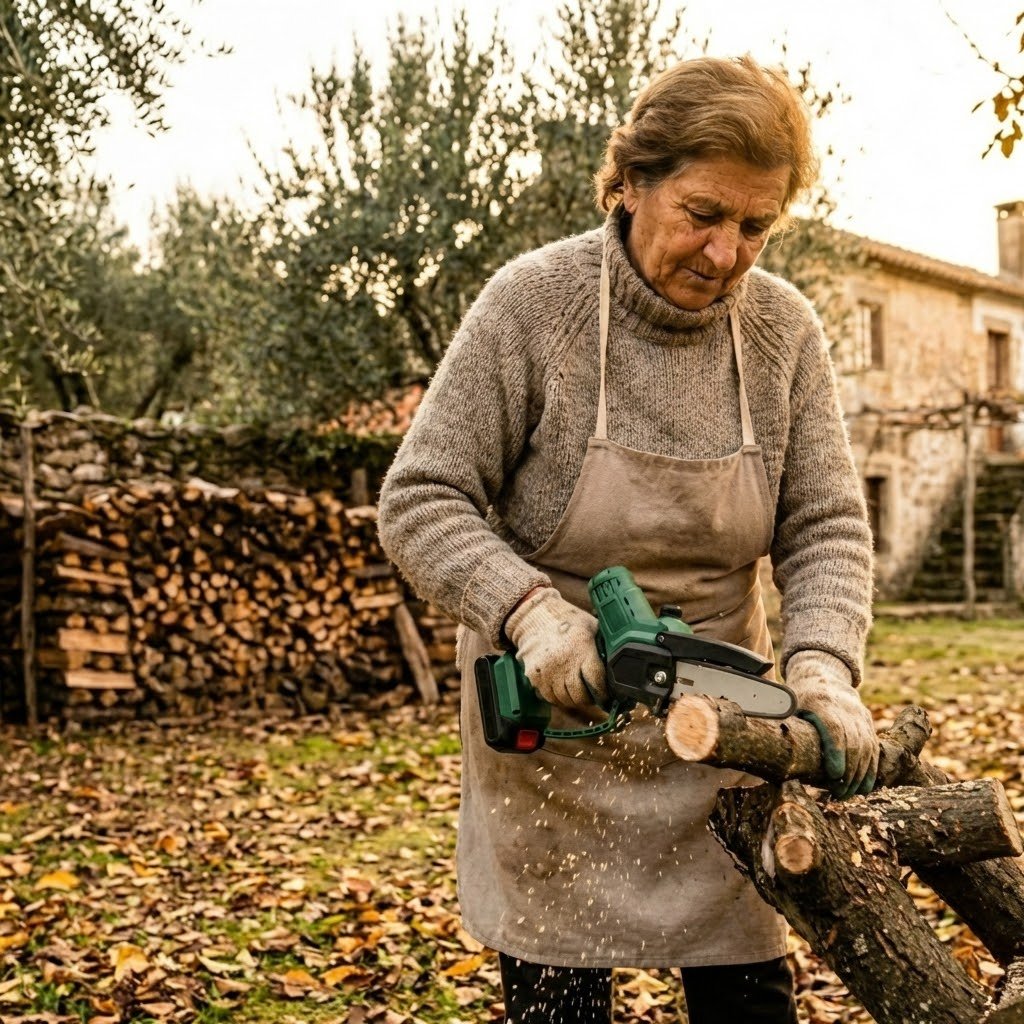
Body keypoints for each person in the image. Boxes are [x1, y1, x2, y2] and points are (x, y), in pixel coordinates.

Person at [377, 54, 879, 1024]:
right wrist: (531, 615)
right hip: (556, 739)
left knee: (746, 995)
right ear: (629, 181)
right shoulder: (534, 306)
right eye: (702, 213)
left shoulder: (784, 334)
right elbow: (422, 496)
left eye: (755, 227)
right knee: (561, 1001)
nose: (727, 252)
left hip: (723, 731)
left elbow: (824, 526)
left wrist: (820, 666)